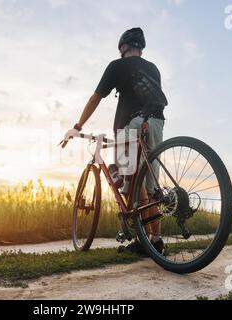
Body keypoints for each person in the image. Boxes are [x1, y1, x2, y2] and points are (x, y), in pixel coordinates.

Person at [63, 28, 166, 254]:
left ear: (123, 47)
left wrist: (77, 126)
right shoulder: (153, 68)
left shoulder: (116, 66)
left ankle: (143, 241)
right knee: (149, 185)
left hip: (131, 126)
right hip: (157, 123)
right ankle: (156, 239)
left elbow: (95, 98)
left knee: (133, 183)